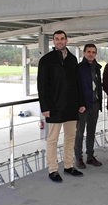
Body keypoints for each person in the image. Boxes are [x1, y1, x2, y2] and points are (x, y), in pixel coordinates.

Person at [37, 30, 86, 182]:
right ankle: (52, 169)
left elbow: (78, 83)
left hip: (71, 106)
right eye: (57, 39)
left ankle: (68, 166)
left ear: (66, 40)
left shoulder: (72, 59)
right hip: (54, 107)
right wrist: (44, 107)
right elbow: (42, 85)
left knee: (70, 137)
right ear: (53, 41)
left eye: (62, 39)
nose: (59, 41)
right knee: (52, 139)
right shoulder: (46, 60)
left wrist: (81, 102)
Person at [74, 44, 103, 169]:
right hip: (83, 106)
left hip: (95, 104)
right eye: (89, 52)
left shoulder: (97, 67)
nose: (91, 54)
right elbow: (75, 87)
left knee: (91, 132)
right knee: (80, 133)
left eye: (93, 52)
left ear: (96, 54)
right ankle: (78, 158)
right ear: (84, 53)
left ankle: (90, 156)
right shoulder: (79, 68)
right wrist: (79, 103)